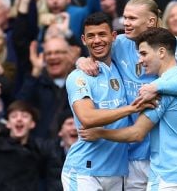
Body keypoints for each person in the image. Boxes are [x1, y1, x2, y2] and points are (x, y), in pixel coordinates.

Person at [76, 0, 177, 190]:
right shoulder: (120, 42)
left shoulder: (173, 45)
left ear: (151, 21)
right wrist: (81, 61)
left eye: (132, 18)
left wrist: (157, 86)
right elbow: (95, 48)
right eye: (124, 18)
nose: (125, 23)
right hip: (133, 153)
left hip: (163, 155)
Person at [62, 12, 152, 190]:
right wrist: (130, 109)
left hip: (118, 173)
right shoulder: (79, 77)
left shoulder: (120, 68)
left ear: (113, 37)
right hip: (84, 171)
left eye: (102, 34)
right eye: (91, 36)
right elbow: (87, 118)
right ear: (83, 40)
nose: (97, 41)